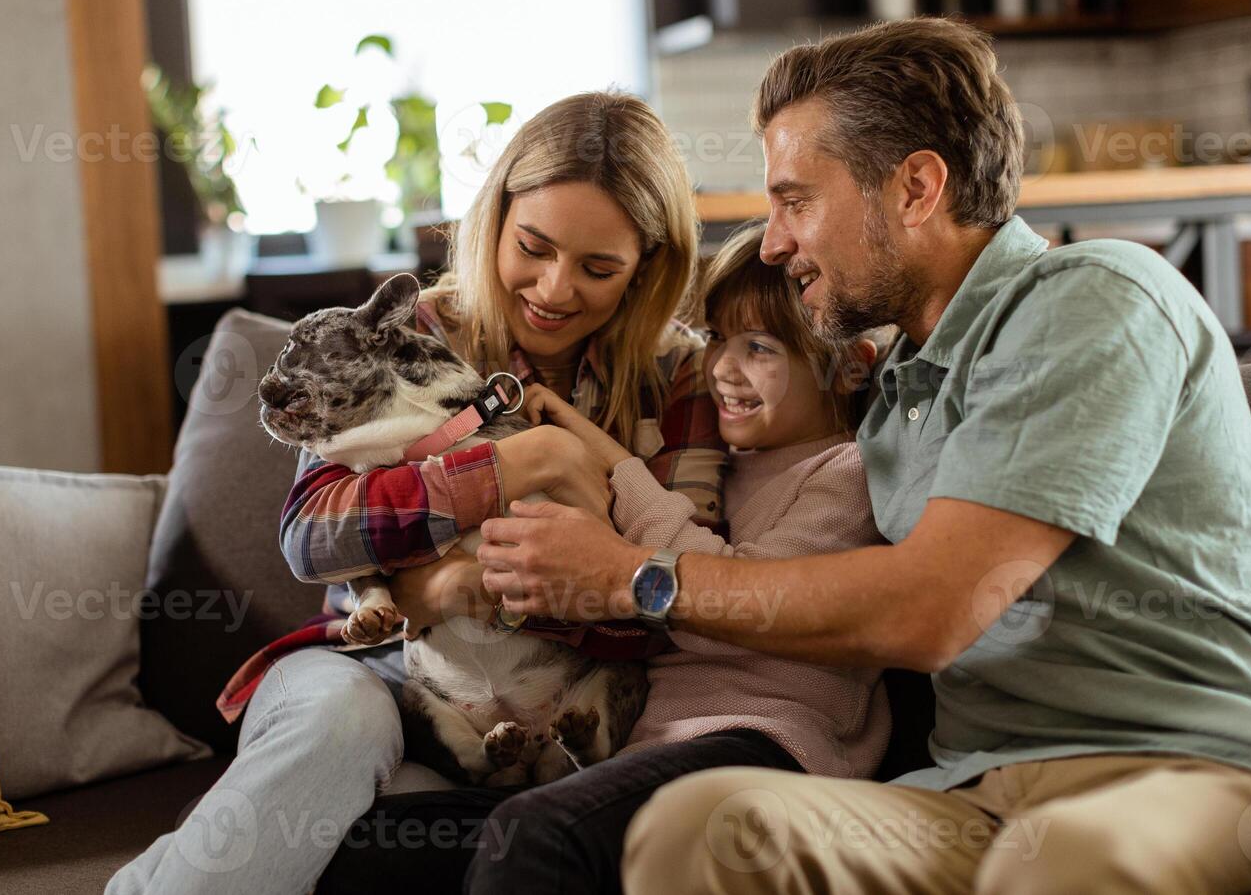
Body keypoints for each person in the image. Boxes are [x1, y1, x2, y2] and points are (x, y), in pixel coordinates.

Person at [466, 19, 1251, 895]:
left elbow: (936, 606)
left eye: (795, 201)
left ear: (917, 188)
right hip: (973, 792)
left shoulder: (1096, 298)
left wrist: (635, 577)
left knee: (1054, 872)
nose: (774, 244)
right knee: (696, 829)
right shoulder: (890, 393)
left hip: (1187, 774)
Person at [106, 91, 726, 895]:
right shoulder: (412, 334)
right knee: (340, 722)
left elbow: (681, 583)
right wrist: (520, 463)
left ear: (649, 266)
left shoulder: (681, 377)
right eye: (532, 246)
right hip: (372, 668)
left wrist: (443, 585)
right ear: (493, 220)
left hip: (552, 689)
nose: (553, 287)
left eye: (599, 268)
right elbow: (313, 535)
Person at [316, 221, 893, 895]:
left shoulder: (843, 472)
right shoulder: (724, 470)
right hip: (651, 739)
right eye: (717, 340)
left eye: (759, 348)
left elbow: (731, 601)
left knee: (539, 838)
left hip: (765, 743)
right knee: (366, 851)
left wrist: (610, 459)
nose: (723, 370)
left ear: (851, 365)